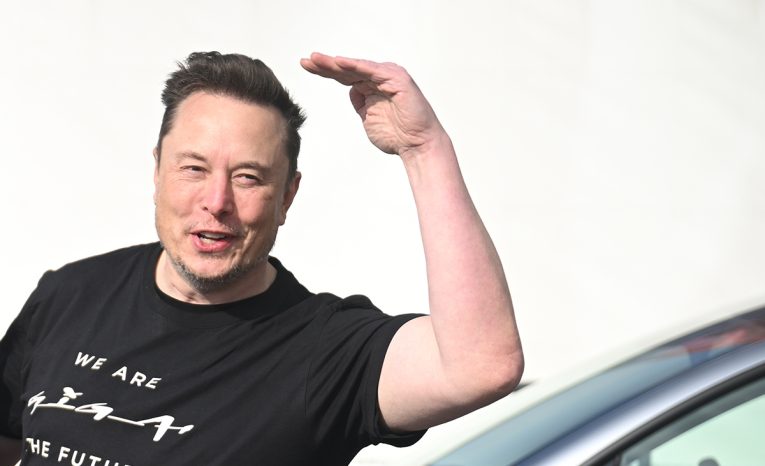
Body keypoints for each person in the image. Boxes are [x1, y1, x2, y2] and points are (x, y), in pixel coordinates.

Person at [0, 51, 523, 465]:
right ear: (157, 171)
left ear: (287, 197)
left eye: (248, 177)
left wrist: (423, 149)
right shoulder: (70, 294)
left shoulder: (325, 354)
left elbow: (482, 365)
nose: (217, 201)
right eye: (194, 168)